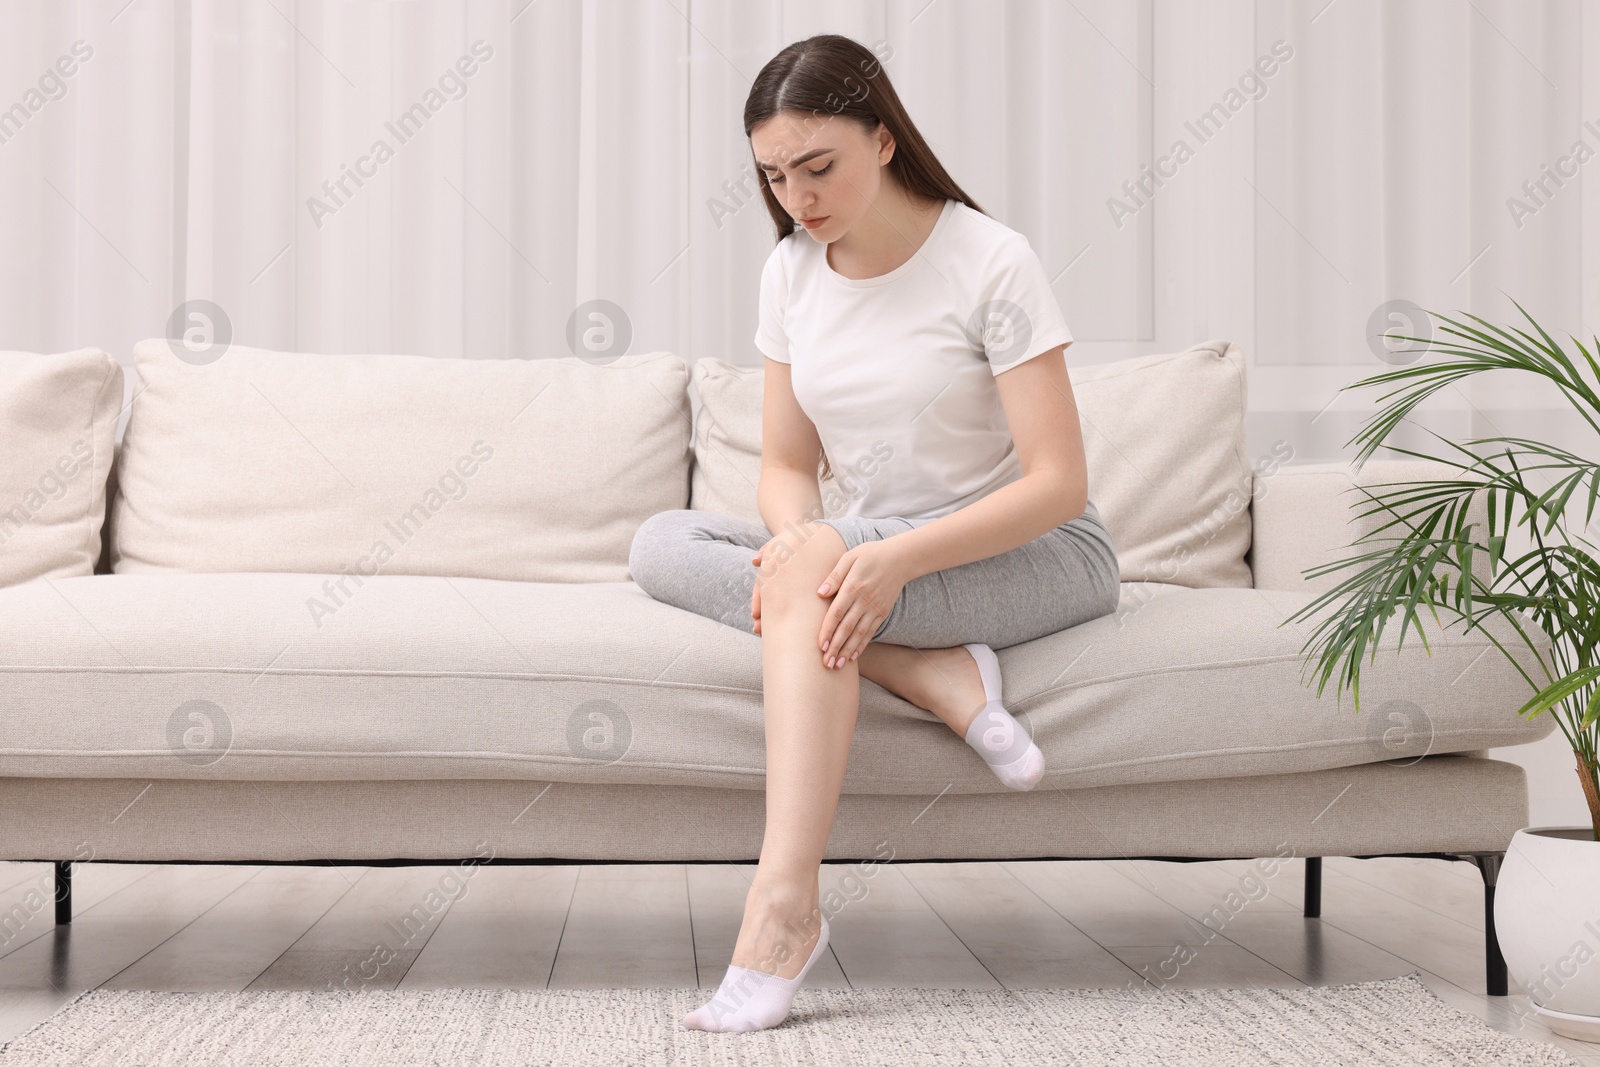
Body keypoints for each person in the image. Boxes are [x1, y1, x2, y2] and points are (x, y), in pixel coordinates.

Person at [626, 33, 1120, 1034]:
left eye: (818, 166)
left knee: (809, 571)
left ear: (884, 140)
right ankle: (935, 673)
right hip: (863, 547)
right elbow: (782, 464)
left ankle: (782, 904)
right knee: (662, 541)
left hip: (1025, 553)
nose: (798, 196)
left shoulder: (989, 259)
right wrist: (810, 542)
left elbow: (1059, 484)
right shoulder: (790, 273)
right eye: (773, 175)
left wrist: (883, 558)